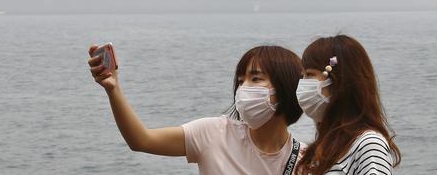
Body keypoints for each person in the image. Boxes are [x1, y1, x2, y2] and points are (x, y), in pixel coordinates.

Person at [88, 44, 305, 174]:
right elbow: (141, 140)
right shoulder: (213, 133)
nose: (244, 88)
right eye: (240, 81)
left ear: (286, 87)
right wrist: (113, 90)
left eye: (255, 78)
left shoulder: (307, 160)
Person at [294, 35, 401, 175]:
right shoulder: (320, 149)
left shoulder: (368, 144)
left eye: (310, 74)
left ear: (338, 81)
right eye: (303, 76)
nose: (303, 82)